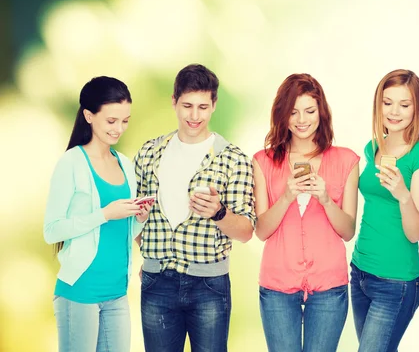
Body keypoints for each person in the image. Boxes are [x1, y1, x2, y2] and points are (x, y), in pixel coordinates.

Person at [134, 64, 256, 352]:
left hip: (209, 285)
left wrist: (219, 212)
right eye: (187, 105)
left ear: (214, 105)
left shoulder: (233, 160)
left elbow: (246, 231)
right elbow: (136, 218)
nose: (194, 115)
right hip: (157, 282)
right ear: (173, 102)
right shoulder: (149, 153)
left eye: (203, 106)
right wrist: (150, 251)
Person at [253, 73, 359, 352]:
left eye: (310, 111)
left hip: (329, 286)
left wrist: (325, 199)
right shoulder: (262, 162)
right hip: (277, 286)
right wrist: (287, 196)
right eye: (293, 112)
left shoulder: (346, 160)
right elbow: (261, 231)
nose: (302, 120)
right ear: (282, 115)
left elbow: (348, 231)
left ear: (321, 113)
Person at [43, 76, 149, 352]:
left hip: (117, 293)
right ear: (89, 116)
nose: (119, 129)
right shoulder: (71, 163)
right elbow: (52, 230)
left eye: (125, 120)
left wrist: (139, 219)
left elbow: (121, 232)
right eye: (111, 121)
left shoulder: (125, 165)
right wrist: (103, 214)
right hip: (80, 291)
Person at [350, 69, 419, 351]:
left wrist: (403, 194)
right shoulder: (373, 147)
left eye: (404, 104)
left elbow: (415, 233)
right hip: (359, 272)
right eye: (387, 102)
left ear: (417, 108)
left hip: (396, 282)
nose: (394, 111)